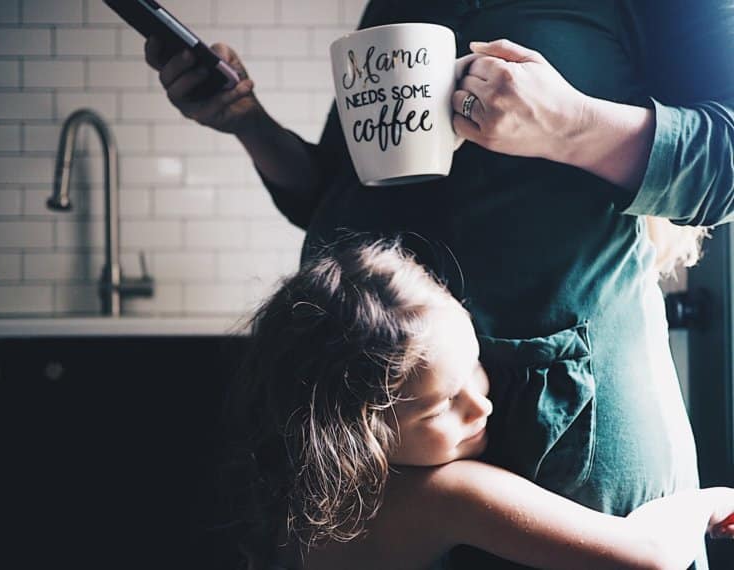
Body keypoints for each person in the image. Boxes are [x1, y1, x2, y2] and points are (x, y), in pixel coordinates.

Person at [144, 1, 734, 567]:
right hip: (376, 410)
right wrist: (248, 122)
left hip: (566, 406)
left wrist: (571, 125)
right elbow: (340, 191)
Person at [223, 234, 734, 570]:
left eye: (475, 363)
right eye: (443, 403)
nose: (480, 405)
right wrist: (708, 501)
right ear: (356, 431)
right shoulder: (443, 495)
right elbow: (649, 556)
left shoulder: (290, 501)